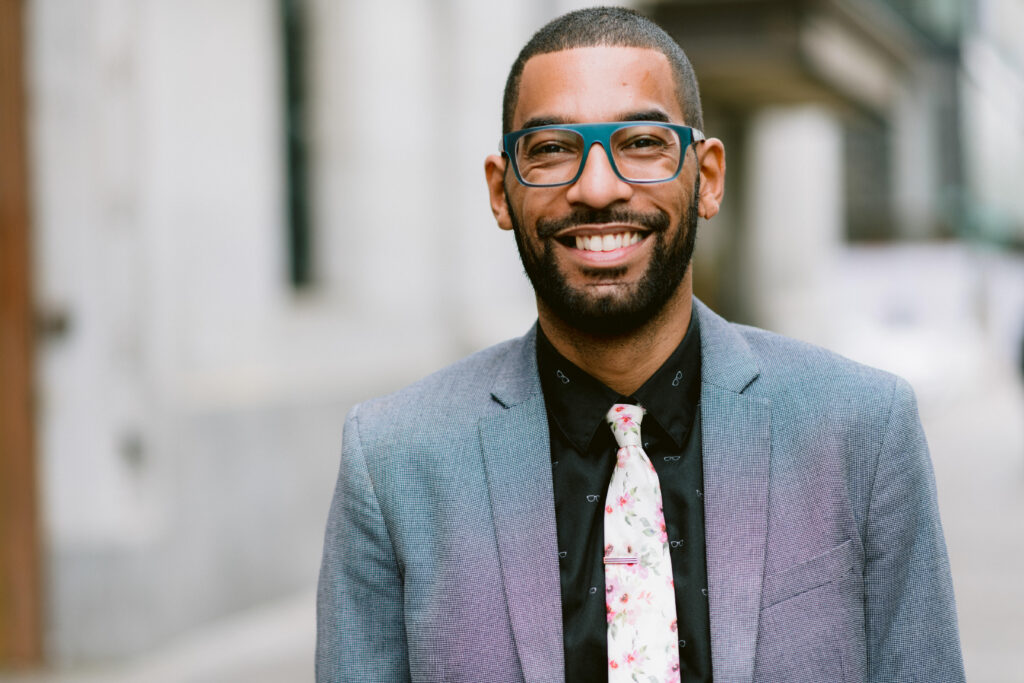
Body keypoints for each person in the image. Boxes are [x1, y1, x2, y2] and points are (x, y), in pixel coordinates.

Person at [316, 7, 965, 683]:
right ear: (500, 190)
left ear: (707, 176)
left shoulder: (863, 428)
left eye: (642, 143)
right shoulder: (391, 460)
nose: (597, 188)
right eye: (551, 150)